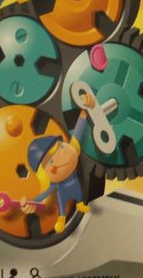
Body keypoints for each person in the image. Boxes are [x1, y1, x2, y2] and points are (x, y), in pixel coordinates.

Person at [21, 92, 96, 233]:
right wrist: (30, 202)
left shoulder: (72, 149)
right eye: (51, 160)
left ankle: (80, 204)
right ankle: (61, 219)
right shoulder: (53, 184)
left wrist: (85, 110)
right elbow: (42, 196)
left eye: (60, 147)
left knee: (78, 195)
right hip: (63, 193)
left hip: (76, 186)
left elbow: (79, 130)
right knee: (62, 205)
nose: (63, 155)